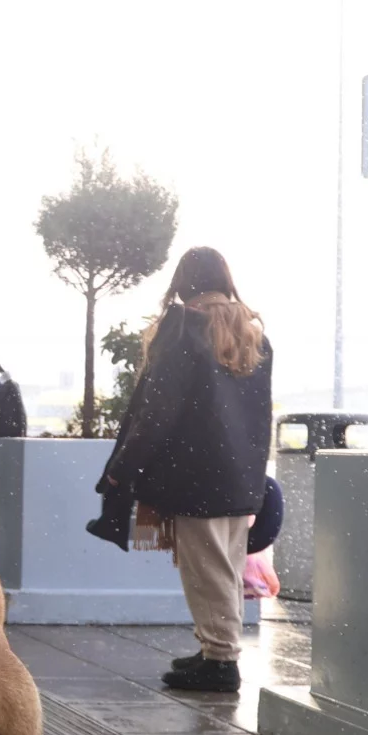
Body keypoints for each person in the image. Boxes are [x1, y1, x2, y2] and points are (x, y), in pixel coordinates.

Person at [96, 246, 272, 693]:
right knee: (225, 566)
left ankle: (220, 661)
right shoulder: (251, 334)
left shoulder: (185, 329)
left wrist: (124, 467)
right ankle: (215, 648)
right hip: (238, 473)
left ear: (184, 283)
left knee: (206, 569)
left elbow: (157, 411)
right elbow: (260, 414)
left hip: (195, 474)